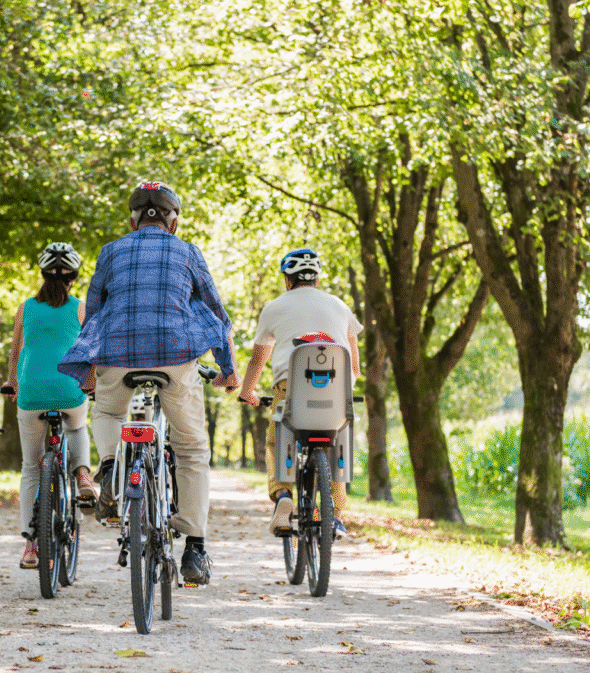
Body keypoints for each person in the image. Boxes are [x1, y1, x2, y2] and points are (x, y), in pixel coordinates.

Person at [58, 181, 240, 585]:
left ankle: (109, 468)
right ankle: (194, 548)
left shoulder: (111, 251)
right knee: (192, 448)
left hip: (118, 356)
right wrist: (228, 371)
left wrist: (88, 362)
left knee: (106, 410)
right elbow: (216, 315)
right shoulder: (189, 252)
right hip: (177, 357)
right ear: (174, 221)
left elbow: (95, 313)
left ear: (132, 220)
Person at [237, 247, 363, 539]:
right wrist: (346, 391)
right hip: (336, 391)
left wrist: (247, 392)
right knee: (338, 443)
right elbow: (353, 366)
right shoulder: (340, 306)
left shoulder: (274, 308)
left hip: (290, 390)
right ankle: (334, 514)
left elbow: (258, 360)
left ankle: (282, 495)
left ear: (287, 279)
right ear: (317, 279)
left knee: (276, 440)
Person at [2, 243, 96, 570]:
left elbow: (16, 352)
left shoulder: (25, 307)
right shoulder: (81, 308)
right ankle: (83, 475)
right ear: (74, 277)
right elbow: (90, 354)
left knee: (31, 468)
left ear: (42, 274)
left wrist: (12, 384)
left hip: (31, 394)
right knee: (77, 424)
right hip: (69, 390)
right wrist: (91, 383)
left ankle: (30, 546)